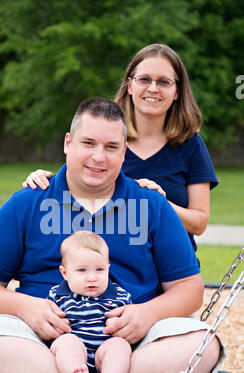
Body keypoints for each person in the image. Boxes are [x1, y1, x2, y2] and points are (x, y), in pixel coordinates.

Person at [0, 97, 223, 373]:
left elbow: (190, 289)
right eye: (88, 143)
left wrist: (147, 313)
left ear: (124, 153)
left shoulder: (151, 205)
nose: (99, 157)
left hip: (133, 352)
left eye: (112, 146)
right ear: (68, 144)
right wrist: (26, 307)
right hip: (44, 351)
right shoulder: (29, 201)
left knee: (204, 343)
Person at [23, 44, 218, 253]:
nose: (153, 88)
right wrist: (42, 180)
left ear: (176, 91)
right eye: (144, 79)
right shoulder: (106, 135)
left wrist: (158, 203)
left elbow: (199, 223)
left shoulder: (190, 144)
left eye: (163, 81)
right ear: (130, 85)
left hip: (170, 264)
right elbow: (74, 190)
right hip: (110, 263)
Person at [48, 231, 132, 373]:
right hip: (74, 350)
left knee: (120, 345)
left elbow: (128, 321)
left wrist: (119, 323)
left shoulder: (120, 296)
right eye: (82, 270)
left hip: (104, 353)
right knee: (66, 342)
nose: (92, 278)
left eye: (100, 269)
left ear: (108, 268)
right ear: (65, 273)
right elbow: (49, 322)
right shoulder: (57, 295)